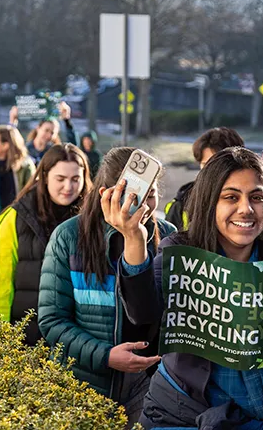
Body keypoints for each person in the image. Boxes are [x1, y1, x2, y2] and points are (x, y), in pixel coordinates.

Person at [117, 147, 263, 429]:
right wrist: (133, 240)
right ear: (210, 203)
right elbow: (141, 315)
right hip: (183, 418)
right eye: (231, 197)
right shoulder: (181, 254)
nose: (246, 208)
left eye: (257, 197)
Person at [37, 147, 176, 426]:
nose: (145, 206)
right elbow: (52, 320)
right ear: (107, 194)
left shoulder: (169, 236)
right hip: (84, 382)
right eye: (135, 196)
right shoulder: (69, 237)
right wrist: (105, 356)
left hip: (150, 383)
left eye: (151, 194)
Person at [0, 143, 92, 344]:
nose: (68, 187)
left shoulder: (95, 221)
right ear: (45, 176)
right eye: (61, 179)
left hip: (79, 343)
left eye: (76, 179)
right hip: (26, 339)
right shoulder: (14, 218)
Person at [164, 127, 245, 231]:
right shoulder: (181, 205)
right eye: (206, 164)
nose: (211, 171)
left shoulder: (254, 201)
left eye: (218, 164)